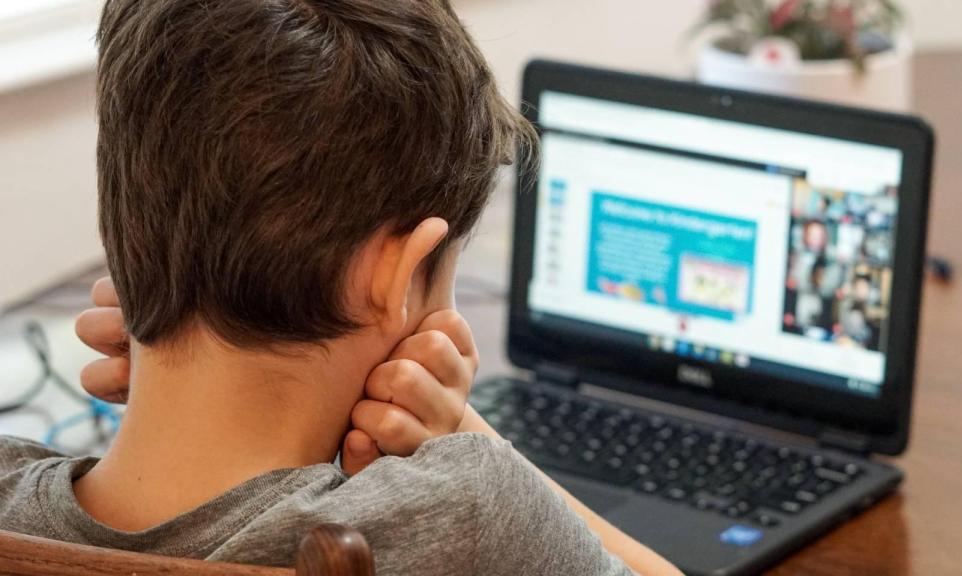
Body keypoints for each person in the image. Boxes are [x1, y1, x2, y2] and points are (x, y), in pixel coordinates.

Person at [0, 1, 680, 575]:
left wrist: (166, 355)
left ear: (125, 230)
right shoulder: (464, 514)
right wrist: (465, 434)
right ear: (392, 277)